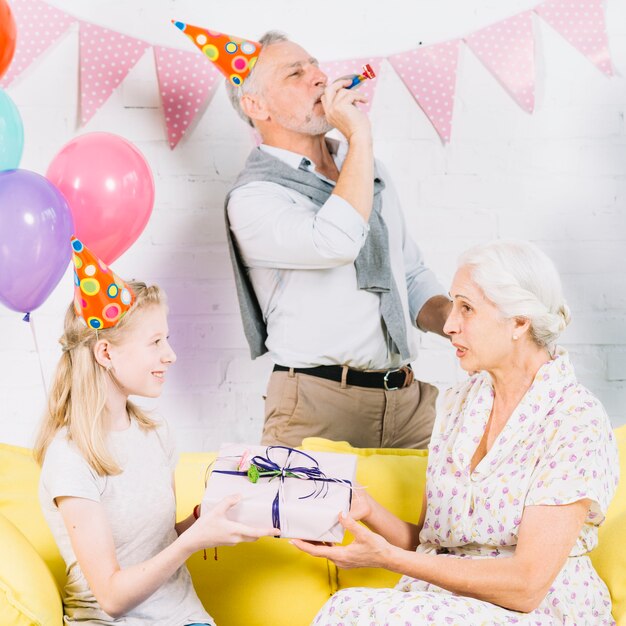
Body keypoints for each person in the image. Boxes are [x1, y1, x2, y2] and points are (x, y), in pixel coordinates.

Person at [293, 240, 620, 625]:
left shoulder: (573, 418)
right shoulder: (458, 404)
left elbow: (527, 584)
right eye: (453, 305)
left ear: (519, 321)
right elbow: (434, 547)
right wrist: (368, 511)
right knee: (346, 607)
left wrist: (388, 558)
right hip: (448, 604)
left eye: (466, 307)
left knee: (369, 614)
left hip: (539, 610)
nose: (448, 325)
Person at [222, 30, 451, 449]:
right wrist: (359, 135)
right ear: (255, 105)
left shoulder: (363, 166)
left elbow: (410, 273)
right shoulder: (254, 197)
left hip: (408, 404)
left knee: (436, 517)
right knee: (313, 516)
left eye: (314, 65)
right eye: (295, 73)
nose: (318, 78)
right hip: (315, 406)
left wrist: (458, 322)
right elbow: (336, 242)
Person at [34, 238, 278, 625]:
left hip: (186, 617)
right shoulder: (71, 456)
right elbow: (112, 598)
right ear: (106, 354)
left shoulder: (157, 432)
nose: (171, 354)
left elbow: (157, 541)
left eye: (168, 339)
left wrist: (208, 517)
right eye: (155, 342)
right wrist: (192, 541)